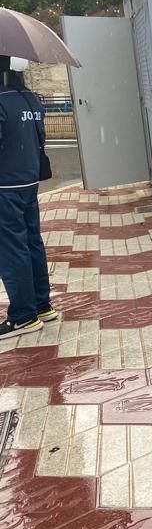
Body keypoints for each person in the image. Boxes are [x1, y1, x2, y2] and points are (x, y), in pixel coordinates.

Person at [0, 56, 58, 340]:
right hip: (28, 181)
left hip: (4, 186)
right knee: (32, 241)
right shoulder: (30, 99)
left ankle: (23, 315)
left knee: (11, 248)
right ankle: (41, 304)